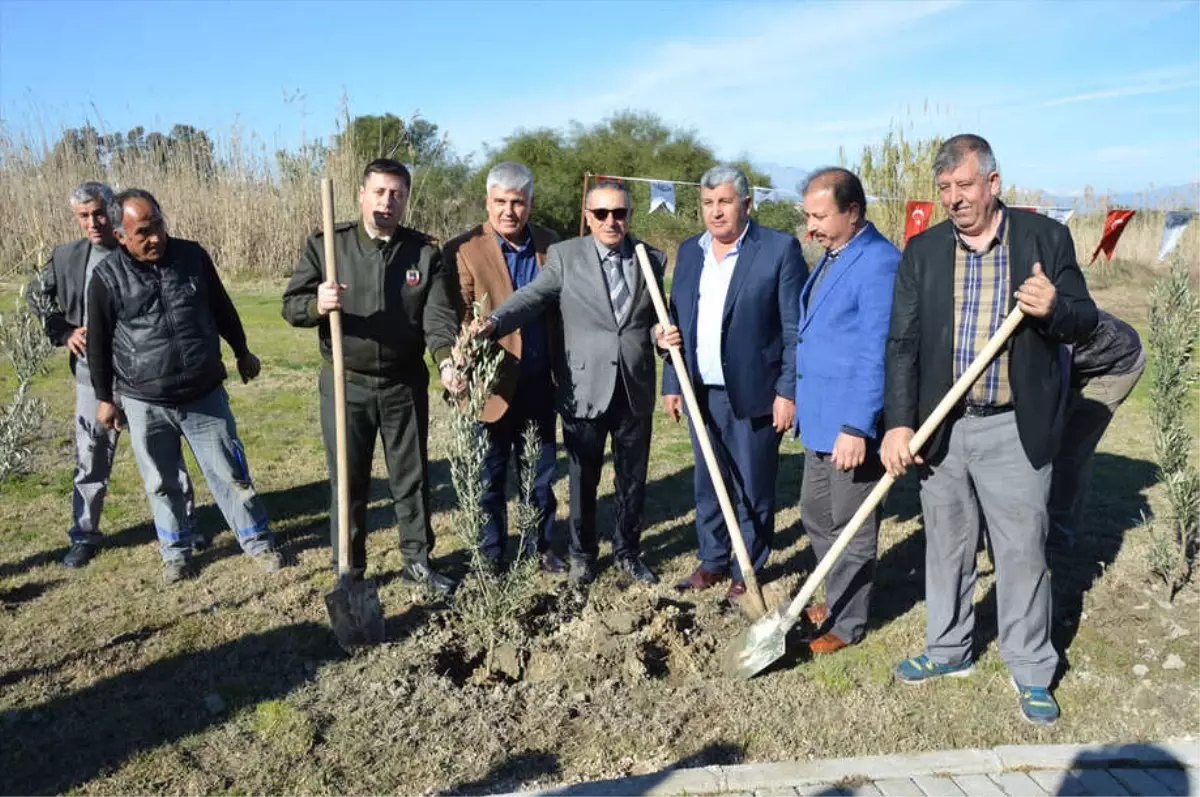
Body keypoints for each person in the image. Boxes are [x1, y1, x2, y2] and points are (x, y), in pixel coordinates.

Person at [880, 134, 1098, 725]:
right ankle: (948, 648)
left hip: (1012, 426)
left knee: (1021, 550)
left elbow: (1084, 319)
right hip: (942, 426)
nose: (955, 198)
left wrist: (1054, 305)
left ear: (994, 184)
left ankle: (1031, 669)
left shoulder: (1043, 239)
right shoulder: (922, 252)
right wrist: (900, 423)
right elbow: (901, 344)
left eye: (966, 185)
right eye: (945, 188)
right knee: (946, 545)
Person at [472, 181, 667, 586]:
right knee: (584, 478)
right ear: (588, 216)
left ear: (629, 216)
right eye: (601, 214)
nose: (611, 221)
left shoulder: (651, 258)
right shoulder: (565, 256)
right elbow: (532, 296)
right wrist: (494, 323)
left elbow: (651, 322)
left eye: (619, 213)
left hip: (634, 386)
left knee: (633, 478)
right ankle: (582, 554)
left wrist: (659, 338)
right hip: (584, 386)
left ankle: (628, 551)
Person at [282, 159, 459, 594]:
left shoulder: (424, 253)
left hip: (404, 383)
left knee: (411, 476)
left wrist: (447, 361)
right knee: (349, 477)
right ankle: (350, 567)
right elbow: (291, 305)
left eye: (396, 194)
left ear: (406, 199)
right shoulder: (328, 245)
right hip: (347, 382)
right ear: (362, 194)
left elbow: (437, 319)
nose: (387, 202)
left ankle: (417, 559)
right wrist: (317, 304)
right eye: (379, 192)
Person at [86, 189, 282, 583]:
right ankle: (176, 551)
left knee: (231, 471)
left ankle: (258, 543)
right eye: (143, 231)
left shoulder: (192, 256)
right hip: (145, 399)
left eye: (158, 225)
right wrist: (105, 398)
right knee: (162, 481)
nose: (155, 237)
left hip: (203, 392)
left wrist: (242, 351)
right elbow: (98, 344)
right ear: (121, 236)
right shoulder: (106, 278)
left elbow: (222, 306)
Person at [657, 165, 806, 601]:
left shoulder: (778, 250)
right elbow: (675, 323)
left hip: (755, 389)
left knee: (752, 484)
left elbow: (795, 329)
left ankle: (749, 566)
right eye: (707, 203)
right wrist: (672, 380)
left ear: (746, 203)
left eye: (724, 202)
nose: (715, 212)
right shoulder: (690, 252)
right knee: (708, 480)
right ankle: (713, 560)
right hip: (700, 388)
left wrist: (787, 390)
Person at [27, 181, 194, 568]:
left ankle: (186, 526)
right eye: (83, 216)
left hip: (143, 378)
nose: (92, 222)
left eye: (99, 213)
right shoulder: (67, 256)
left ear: (115, 213)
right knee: (90, 460)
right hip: (92, 377)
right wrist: (62, 330)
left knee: (165, 457)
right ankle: (84, 535)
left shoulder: (140, 247)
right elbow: (36, 295)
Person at [793, 167, 899, 653]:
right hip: (818, 418)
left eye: (820, 216)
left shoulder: (878, 263)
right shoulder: (835, 255)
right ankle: (836, 597)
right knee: (815, 514)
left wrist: (858, 425)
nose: (810, 226)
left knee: (850, 526)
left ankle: (848, 622)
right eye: (807, 215)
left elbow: (876, 350)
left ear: (853, 212)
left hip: (849, 425)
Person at [442, 162, 564, 574]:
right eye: (500, 202)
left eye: (518, 202)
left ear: (530, 203)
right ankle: (490, 555)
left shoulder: (552, 246)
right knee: (488, 477)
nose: (509, 211)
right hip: (489, 384)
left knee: (540, 475)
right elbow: (456, 311)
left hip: (539, 381)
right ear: (487, 201)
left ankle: (540, 548)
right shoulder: (464, 248)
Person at [1049, 309, 1145, 549]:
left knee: (1069, 451)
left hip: (1116, 364)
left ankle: (1059, 529)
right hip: (1079, 365)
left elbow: (1049, 378)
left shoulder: (1051, 322)